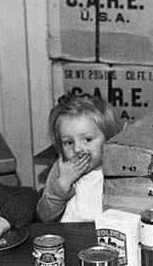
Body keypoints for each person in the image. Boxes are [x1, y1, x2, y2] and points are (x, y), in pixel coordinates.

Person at [36, 93, 123, 223]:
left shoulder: (121, 168)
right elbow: (44, 216)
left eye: (87, 139)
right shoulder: (62, 169)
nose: (77, 149)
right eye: (68, 142)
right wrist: (62, 186)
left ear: (109, 138)